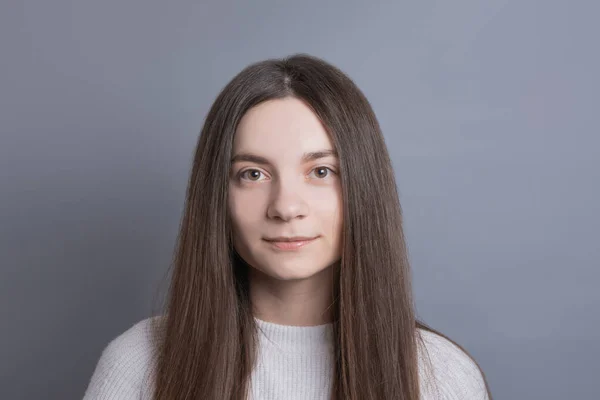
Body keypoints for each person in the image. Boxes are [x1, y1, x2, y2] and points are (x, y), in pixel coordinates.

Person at [83, 54, 492, 400]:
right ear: (216, 197)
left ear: (364, 187)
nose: (286, 207)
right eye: (253, 174)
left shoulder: (441, 377)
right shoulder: (139, 363)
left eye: (320, 170)